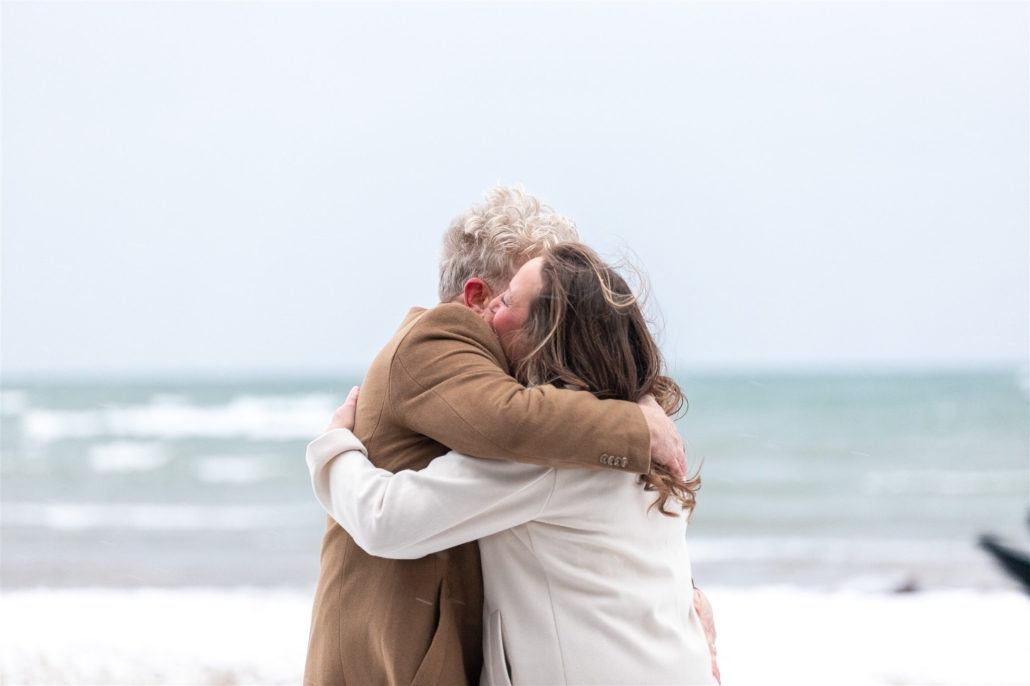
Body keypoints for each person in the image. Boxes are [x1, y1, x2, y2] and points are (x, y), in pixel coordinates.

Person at [304, 186, 691, 686]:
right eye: (507, 296)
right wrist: (639, 420)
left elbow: (386, 518)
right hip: (389, 657)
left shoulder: (556, 452)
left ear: (558, 331)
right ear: (477, 298)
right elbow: (512, 419)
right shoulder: (438, 341)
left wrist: (333, 450)